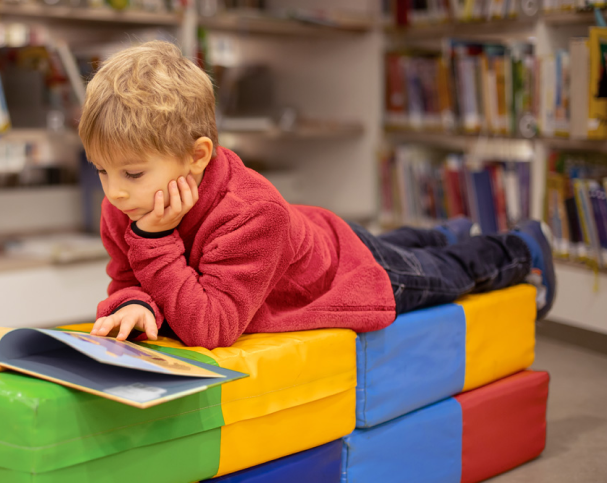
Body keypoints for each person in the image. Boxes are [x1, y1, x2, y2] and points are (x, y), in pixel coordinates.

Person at [83, 41, 555, 350]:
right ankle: (444, 232)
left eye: (133, 172)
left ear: (197, 155)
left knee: (450, 274)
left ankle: (521, 246)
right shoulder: (126, 202)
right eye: (101, 171)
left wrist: (156, 241)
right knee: (403, 243)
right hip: (310, 234)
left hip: (342, 271)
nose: (116, 192)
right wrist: (134, 304)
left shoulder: (250, 214)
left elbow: (212, 327)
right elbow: (128, 278)